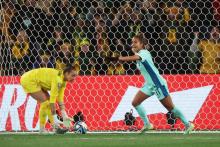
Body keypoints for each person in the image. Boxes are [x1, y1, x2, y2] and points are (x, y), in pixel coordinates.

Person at [106, 33, 194, 134]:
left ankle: (188, 124)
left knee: (170, 107)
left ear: (142, 44)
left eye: (135, 42)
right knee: (135, 102)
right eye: (132, 42)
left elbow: (133, 58)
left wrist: (118, 58)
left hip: (158, 84)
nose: (133, 44)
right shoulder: (138, 52)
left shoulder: (144, 53)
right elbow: (132, 51)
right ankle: (147, 124)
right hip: (149, 85)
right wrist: (122, 45)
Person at [20, 66, 77, 133]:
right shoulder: (58, 80)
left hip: (36, 80)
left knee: (47, 103)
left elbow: (60, 99)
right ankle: (43, 129)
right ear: (66, 73)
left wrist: (65, 116)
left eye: (75, 76)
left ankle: (56, 128)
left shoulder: (63, 81)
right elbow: (52, 101)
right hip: (29, 80)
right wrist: (55, 118)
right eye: (73, 76)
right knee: (45, 103)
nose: (74, 78)